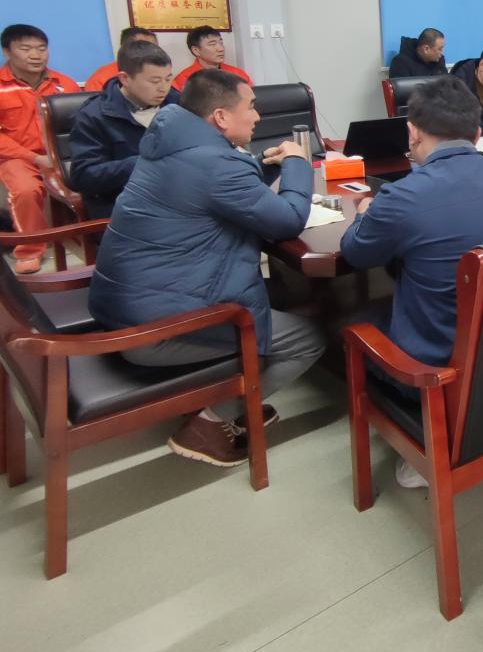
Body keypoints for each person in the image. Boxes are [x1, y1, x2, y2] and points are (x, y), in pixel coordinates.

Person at [88, 70, 323, 468]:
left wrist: (264, 166)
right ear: (220, 117)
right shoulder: (214, 165)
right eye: (251, 107)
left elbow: (214, 190)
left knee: (277, 298)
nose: (257, 116)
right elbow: (287, 221)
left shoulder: (172, 144)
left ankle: (231, 395)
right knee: (309, 337)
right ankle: (211, 421)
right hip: (156, 330)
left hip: (127, 303)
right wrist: (299, 163)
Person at [340, 75, 483, 487]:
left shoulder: (402, 198)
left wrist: (363, 215)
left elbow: (356, 254)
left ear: (412, 132)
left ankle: (424, 442)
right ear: (476, 133)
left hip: (436, 373)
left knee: (352, 324)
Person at [0, 24, 80, 273]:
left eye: (41, 48)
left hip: (61, 154)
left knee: (97, 176)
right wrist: (34, 158)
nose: (36, 55)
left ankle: (90, 238)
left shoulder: (63, 83)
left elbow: (81, 123)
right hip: (17, 157)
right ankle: (29, 250)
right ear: (7, 51)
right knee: (25, 190)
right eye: (26, 49)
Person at [69, 41, 180, 218]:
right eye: (154, 81)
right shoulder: (93, 115)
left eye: (168, 79)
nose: (163, 88)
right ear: (125, 79)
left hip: (177, 196)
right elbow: (84, 177)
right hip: (125, 204)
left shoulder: (176, 102)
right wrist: (142, 163)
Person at [172, 25, 252, 92]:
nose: (221, 49)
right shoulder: (185, 79)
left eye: (221, 43)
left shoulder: (237, 74)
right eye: (212, 44)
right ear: (196, 50)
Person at [84, 26, 158, 92]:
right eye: (145, 48)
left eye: (155, 48)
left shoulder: (160, 73)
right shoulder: (101, 79)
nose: (152, 52)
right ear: (126, 49)